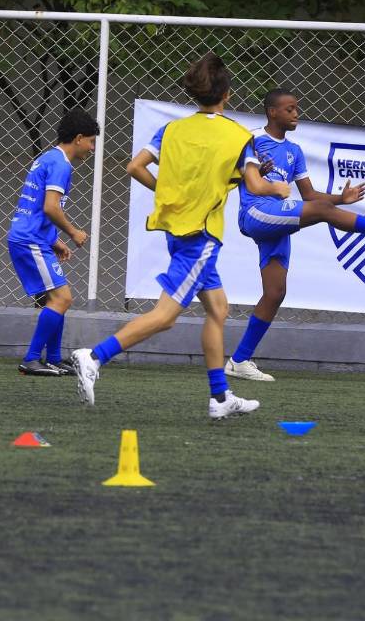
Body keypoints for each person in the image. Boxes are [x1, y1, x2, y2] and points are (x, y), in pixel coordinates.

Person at [69, 53, 288, 418]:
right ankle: (94, 356)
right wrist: (277, 188)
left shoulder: (172, 130)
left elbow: (134, 167)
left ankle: (220, 397)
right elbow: (254, 184)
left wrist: (169, 192)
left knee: (218, 308)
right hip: (201, 236)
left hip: (177, 229)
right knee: (166, 315)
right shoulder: (238, 135)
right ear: (227, 95)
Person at [226, 88, 365, 381]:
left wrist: (342, 198)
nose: (296, 114)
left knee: (275, 293)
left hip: (279, 218)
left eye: (297, 108)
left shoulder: (294, 151)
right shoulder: (250, 139)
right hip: (256, 212)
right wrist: (257, 173)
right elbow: (235, 176)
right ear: (272, 112)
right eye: (289, 109)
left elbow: (310, 195)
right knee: (323, 211)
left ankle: (239, 360)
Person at [7, 109, 101, 376]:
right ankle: (32, 359)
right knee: (62, 297)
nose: (92, 148)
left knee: (56, 298)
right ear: (79, 138)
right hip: (30, 240)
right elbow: (50, 207)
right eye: (91, 141)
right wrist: (73, 232)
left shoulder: (47, 157)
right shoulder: (61, 164)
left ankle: (54, 358)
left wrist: (54, 240)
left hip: (30, 237)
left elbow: (35, 207)